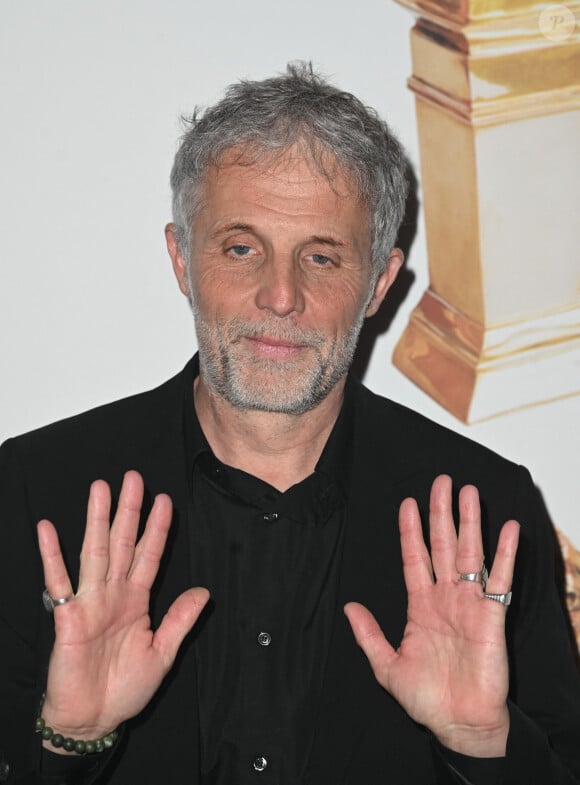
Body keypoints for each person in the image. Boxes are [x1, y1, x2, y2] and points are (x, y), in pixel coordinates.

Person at [0, 62, 578, 785]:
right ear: (182, 258)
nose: (280, 296)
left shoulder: (488, 513)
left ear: (378, 284)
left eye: (322, 256)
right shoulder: (32, 492)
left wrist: (480, 744)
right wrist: (67, 741)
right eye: (241, 248)